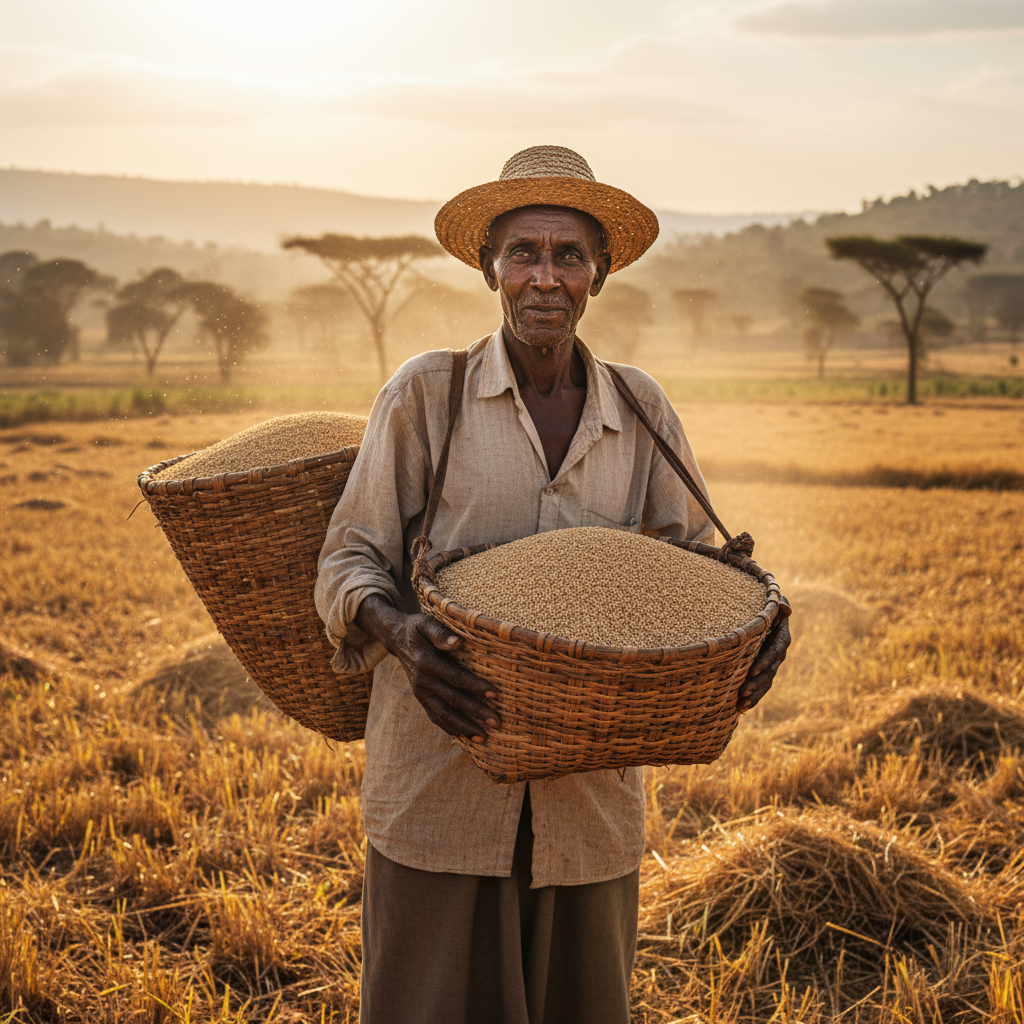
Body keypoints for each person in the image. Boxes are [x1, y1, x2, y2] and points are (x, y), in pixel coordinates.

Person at [315, 145, 792, 1024]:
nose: (545, 277)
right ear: (490, 268)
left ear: (599, 275)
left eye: (568, 255)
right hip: (441, 773)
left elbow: (695, 565)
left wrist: (760, 613)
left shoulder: (639, 405)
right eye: (524, 253)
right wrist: (401, 636)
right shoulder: (429, 394)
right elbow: (348, 561)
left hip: (590, 796)